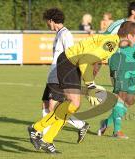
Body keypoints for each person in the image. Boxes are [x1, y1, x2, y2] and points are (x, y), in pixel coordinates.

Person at [28, 21, 135, 154]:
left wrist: (90, 83)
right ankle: (36, 129)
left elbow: (89, 60)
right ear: (129, 36)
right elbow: (85, 60)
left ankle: (46, 138)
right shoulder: (111, 45)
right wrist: (90, 85)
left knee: (73, 105)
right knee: (73, 103)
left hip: (73, 64)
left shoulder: (112, 42)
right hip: (69, 62)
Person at [27, 8, 90, 150]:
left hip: (59, 77)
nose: (47, 25)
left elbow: (71, 56)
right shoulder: (59, 34)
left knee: (53, 108)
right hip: (52, 76)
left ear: (51, 20)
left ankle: (44, 138)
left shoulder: (66, 34)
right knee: (46, 105)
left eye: (47, 22)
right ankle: (44, 137)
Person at [97, 1, 135, 139]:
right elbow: (104, 38)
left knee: (130, 100)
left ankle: (106, 122)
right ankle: (117, 131)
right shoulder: (118, 24)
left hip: (132, 64)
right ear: (133, 12)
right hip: (119, 61)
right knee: (122, 95)